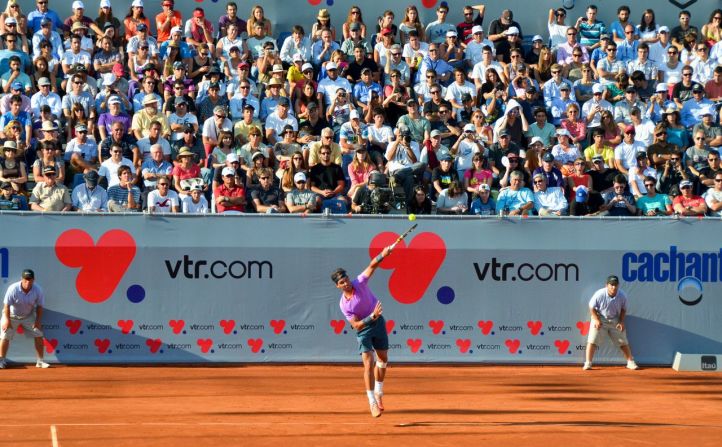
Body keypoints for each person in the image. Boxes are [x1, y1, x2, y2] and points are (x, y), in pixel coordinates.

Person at [331, 243, 393, 418]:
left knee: (383, 360)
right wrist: (371, 316)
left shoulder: (359, 282)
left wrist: (383, 253)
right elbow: (356, 325)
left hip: (378, 324)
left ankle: (379, 393)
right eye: (341, 282)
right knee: (368, 364)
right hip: (364, 330)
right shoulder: (344, 304)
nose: (346, 283)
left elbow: (372, 265)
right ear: (338, 286)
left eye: (346, 279)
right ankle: (371, 402)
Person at [583, 275, 639, 371]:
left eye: (616, 285)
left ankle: (630, 362)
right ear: (607, 285)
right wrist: (596, 319)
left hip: (615, 319)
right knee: (592, 340)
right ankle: (588, 363)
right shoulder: (599, 294)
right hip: (600, 318)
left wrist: (621, 322)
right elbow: (591, 306)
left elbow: (623, 309)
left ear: (618, 285)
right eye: (611, 285)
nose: (614, 287)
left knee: (623, 341)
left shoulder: (622, 295)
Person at [0, 269, 50, 369]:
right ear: (22, 279)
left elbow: (40, 307)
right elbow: (6, 305)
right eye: (26, 279)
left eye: (30, 279)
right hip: (11, 315)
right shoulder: (13, 288)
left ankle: (40, 361)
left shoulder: (38, 289)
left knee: (39, 334)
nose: (28, 282)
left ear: (33, 280)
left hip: (29, 316)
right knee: (4, 335)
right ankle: (1, 361)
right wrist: (7, 320)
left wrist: (38, 321)